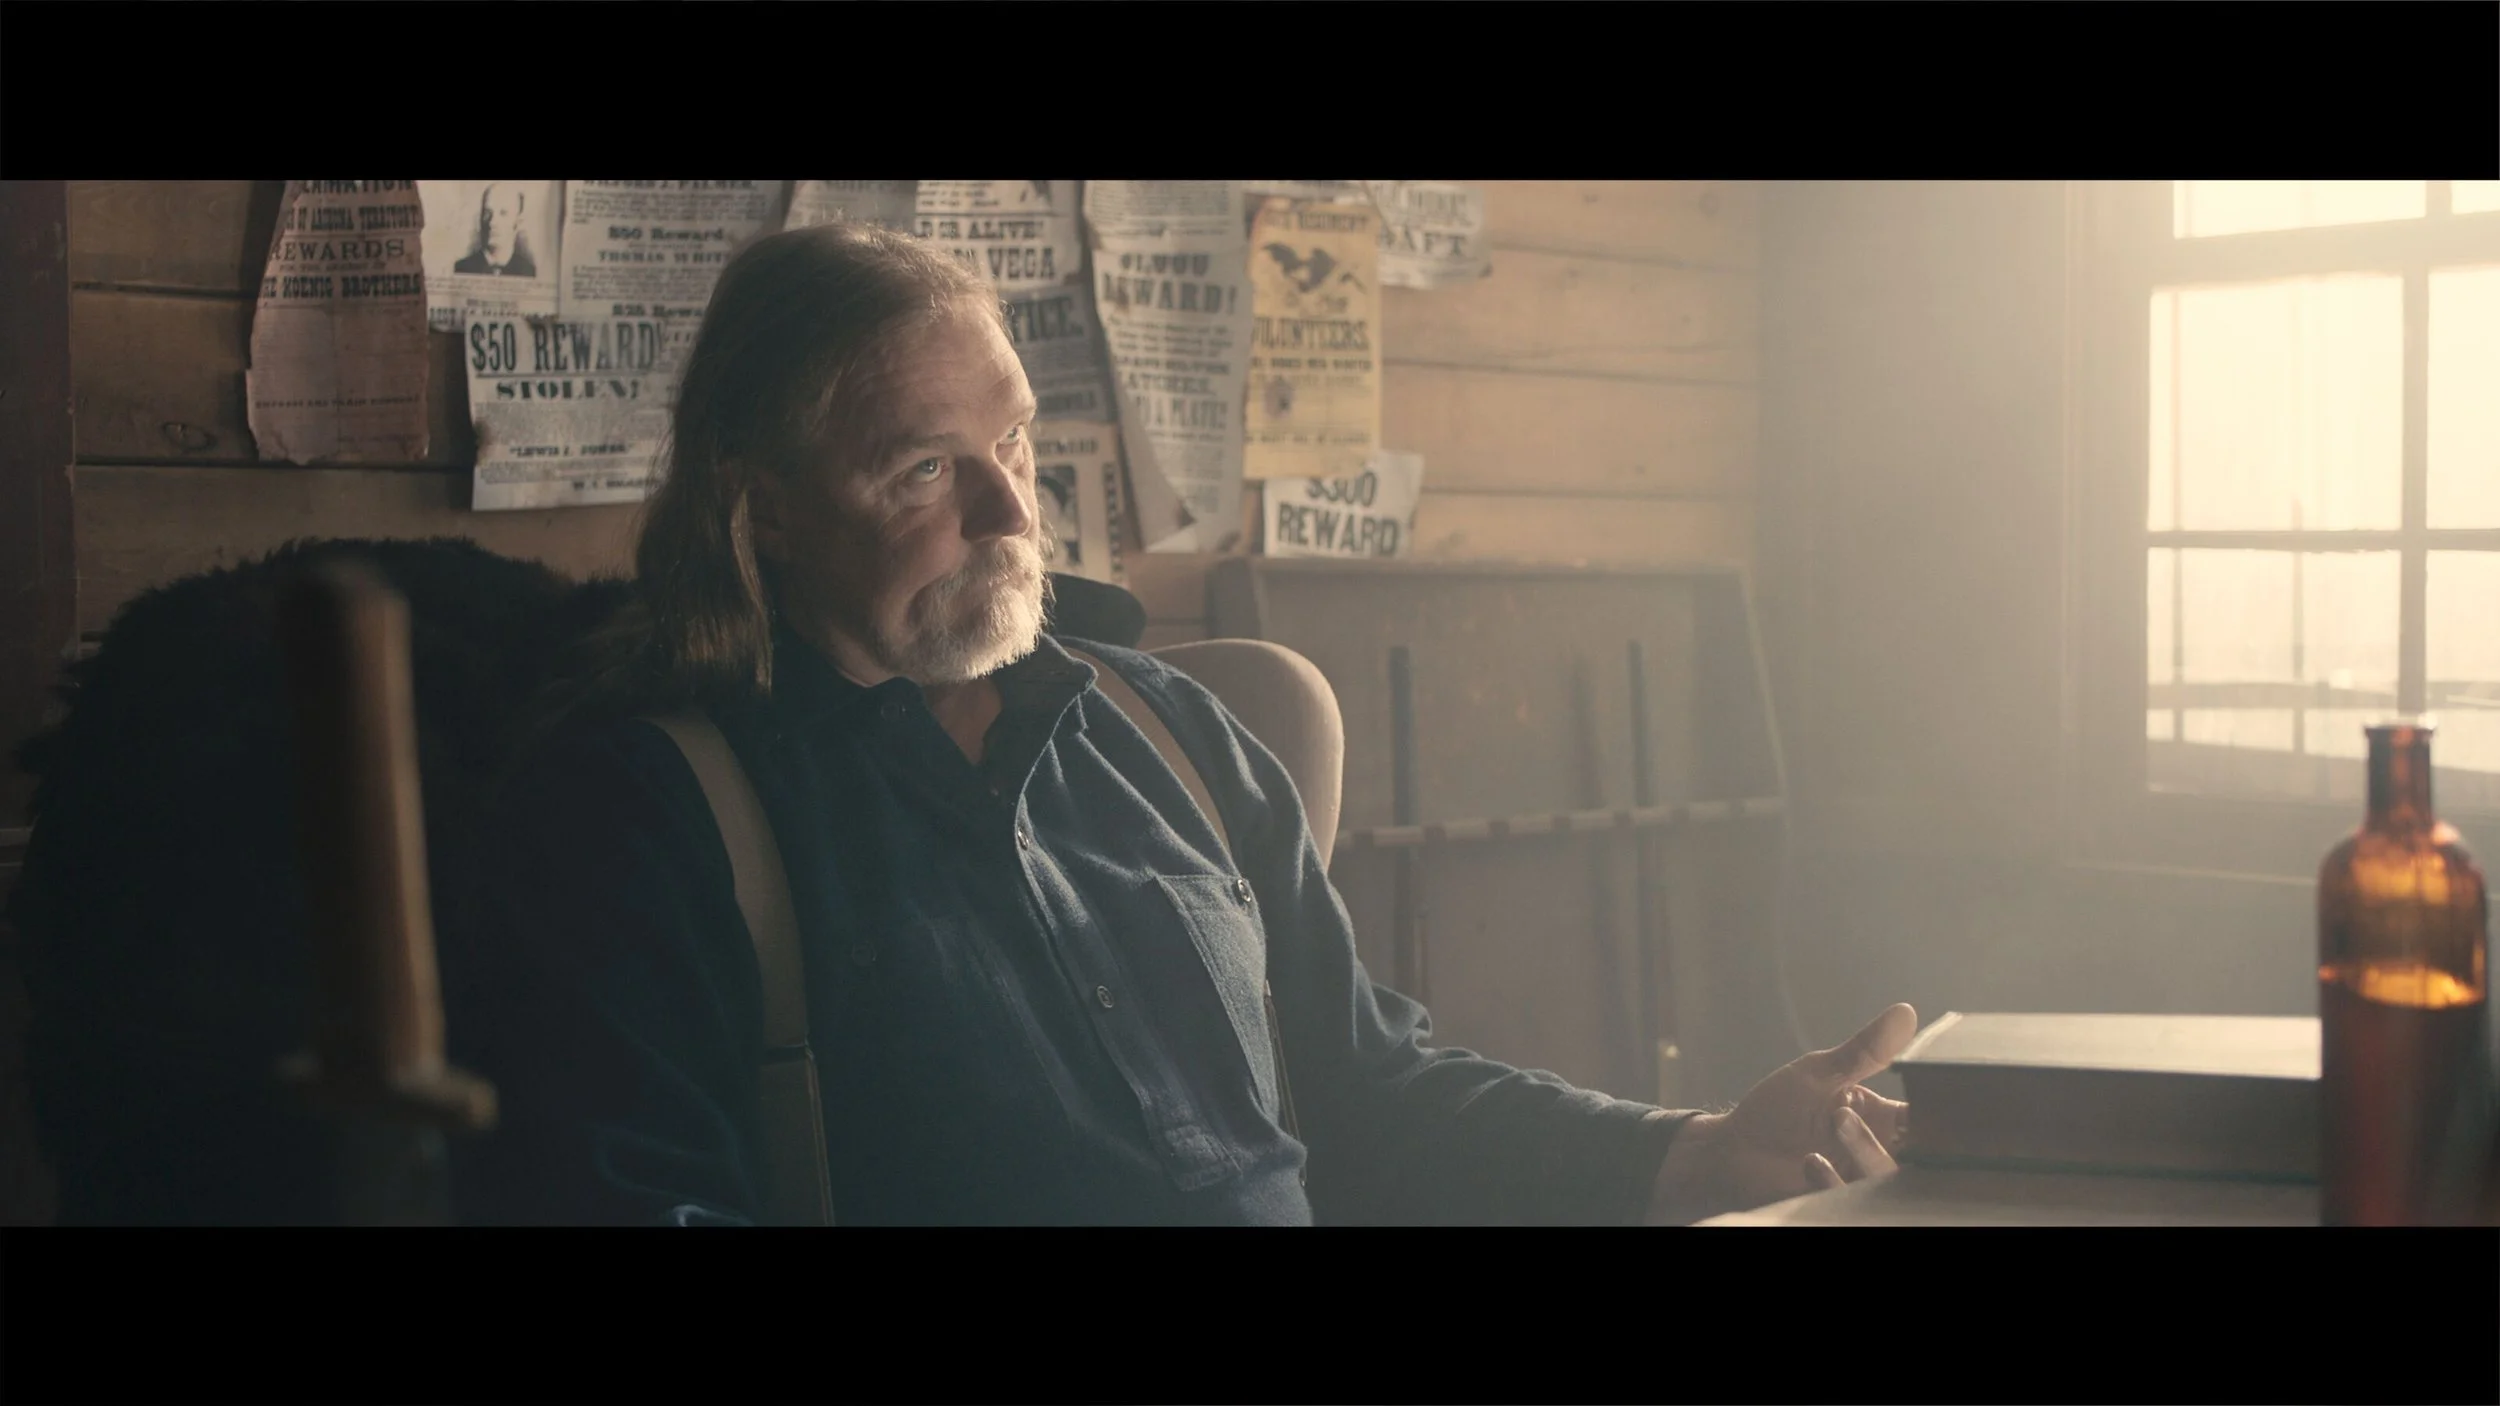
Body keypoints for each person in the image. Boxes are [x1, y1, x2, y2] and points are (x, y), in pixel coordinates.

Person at [450, 221, 1915, 1226]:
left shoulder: (1170, 734)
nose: (1011, 511)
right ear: (763, 507)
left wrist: (1693, 1150)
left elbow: (1373, 1087)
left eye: (1013, 439)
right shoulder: (645, 815)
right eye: (925, 470)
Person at [451, 181, 535, 277]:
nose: (492, 222)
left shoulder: (529, 272)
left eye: (503, 213)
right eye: (487, 213)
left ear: (518, 223)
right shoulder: (461, 269)